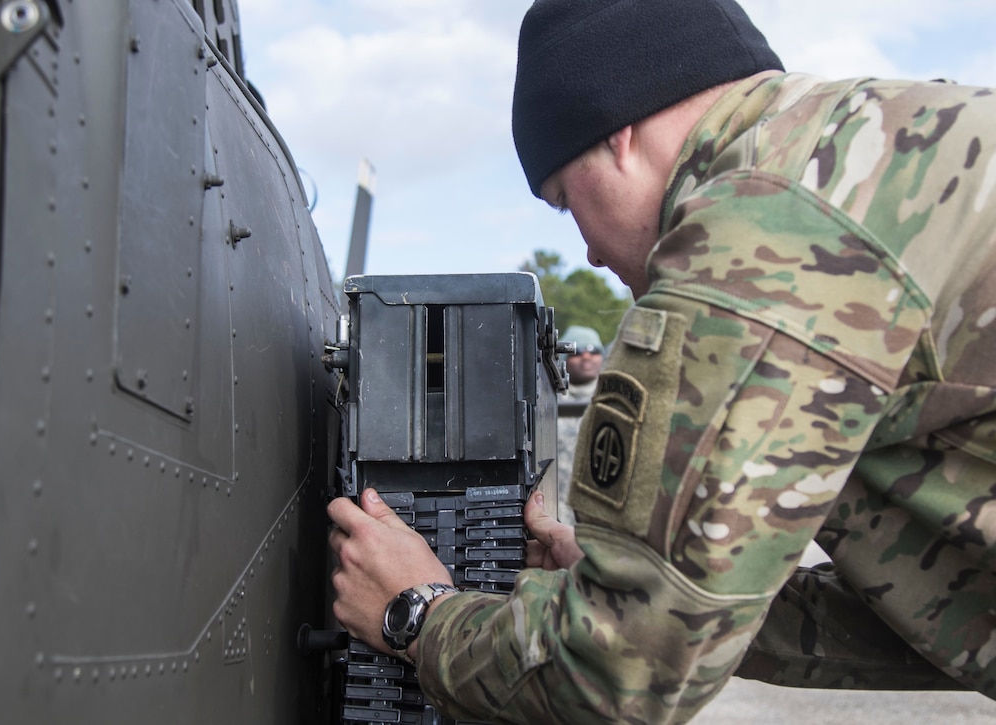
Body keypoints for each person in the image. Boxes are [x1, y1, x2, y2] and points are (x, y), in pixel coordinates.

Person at [327, 0, 996, 722]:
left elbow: (621, 679)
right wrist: (638, 589)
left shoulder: (761, 235)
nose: (585, 248)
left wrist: (418, 614)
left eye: (562, 201)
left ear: (619, 131)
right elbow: (949, 615)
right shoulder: (879, 141)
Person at [556, 324, 605, 524]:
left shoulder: (614, 399)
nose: (586, 357)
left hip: (599, 517)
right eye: (577, 352)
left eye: (594, 351)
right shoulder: (546, 401)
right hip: (557, 513)